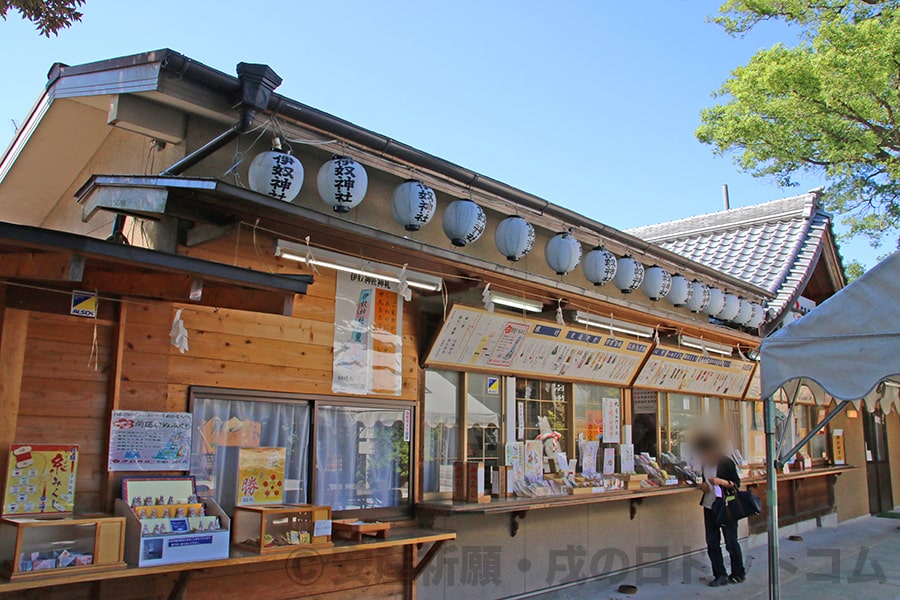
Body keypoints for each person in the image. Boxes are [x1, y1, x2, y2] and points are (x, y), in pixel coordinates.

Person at [695, 433, 745, 587]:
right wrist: (703, 486)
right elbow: (705, 483)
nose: (706, 455)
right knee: (712, 542)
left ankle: (738, 573)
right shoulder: (704, 464)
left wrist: (721, 482)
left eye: (707, 451)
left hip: (725, 507)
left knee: (731, 541)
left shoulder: (726, 463)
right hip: (709, 506)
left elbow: (736, 484)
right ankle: (720, 574)